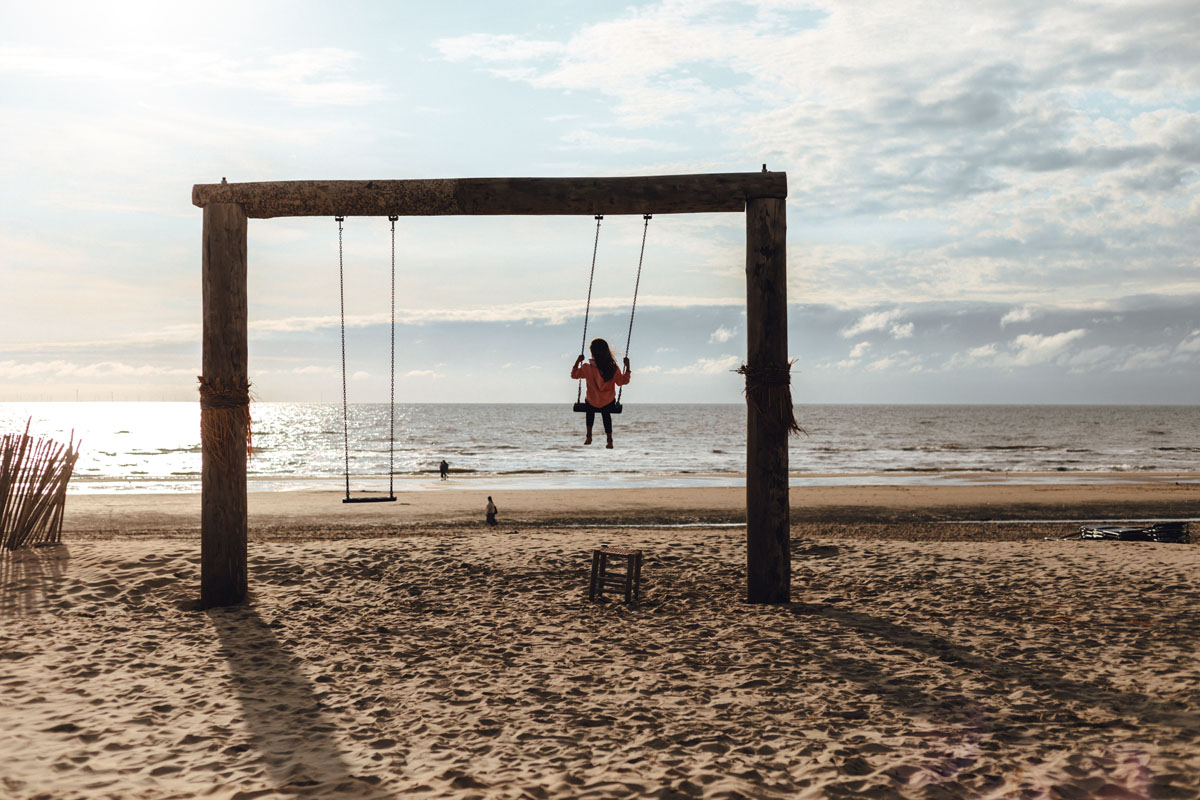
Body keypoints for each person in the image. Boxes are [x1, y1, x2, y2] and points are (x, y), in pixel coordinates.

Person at [571, 337, 631, 449]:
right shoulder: (612, 368)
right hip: (608, 402)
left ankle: (589, 435)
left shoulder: (586, 367)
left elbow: (574, 375)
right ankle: (609, 439)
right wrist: (627, 367)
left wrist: (578, 361)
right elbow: (623, 381)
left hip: (592, 401)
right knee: (606, 413)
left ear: (592, 352)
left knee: (590, 409)